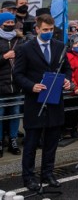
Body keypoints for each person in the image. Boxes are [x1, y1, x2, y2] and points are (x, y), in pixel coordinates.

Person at [13, 14, 72, 191]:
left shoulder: (60, 46)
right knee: (31, 143)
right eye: (45, 30)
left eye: (51, 30)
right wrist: (32, 86)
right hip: (35, 103)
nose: (48, 32)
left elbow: (67, 68)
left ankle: (48, 173)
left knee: (52, 142)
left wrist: (67, 80)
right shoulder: (25, 48)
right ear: (37, 29)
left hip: (55, 102)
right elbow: (18, 74)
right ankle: (28, 177)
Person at [0, 12, 25, 156]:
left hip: (16, 85)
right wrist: (4, 57)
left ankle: (13, 140)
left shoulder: (20, 40)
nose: (10, 24)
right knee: (1, 115)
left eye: (11, 22)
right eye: (6, 22)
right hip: (1, 85)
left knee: (15, 114)